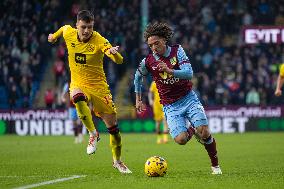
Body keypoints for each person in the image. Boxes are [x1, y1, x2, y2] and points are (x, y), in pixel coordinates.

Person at [48, 10, 131, 174]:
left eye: (90, 27)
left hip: (99, 87)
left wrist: (115, 55)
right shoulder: (68, 32)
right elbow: (59, 32)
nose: (86, 31)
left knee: (113, 129)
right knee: (77, 97)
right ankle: (93, 133)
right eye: (84, 27)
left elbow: (119, 61)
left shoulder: (99, 39)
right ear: (77, 24)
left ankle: (118, 161)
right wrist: (52, 37)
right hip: (78, 82)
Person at [134, 22, 222, 175]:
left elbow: (189, 73)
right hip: (170, 106)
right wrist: (138, 99)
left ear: (164, 40)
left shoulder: (177, 51)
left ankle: (215, 166)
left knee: (205, 132)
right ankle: (192, 129)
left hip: (189, 98)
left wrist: (169, 70)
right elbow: (137, 78)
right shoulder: (148, 61)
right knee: (181, 139)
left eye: (156, 43)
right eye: (150, 45)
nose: (154, 48)